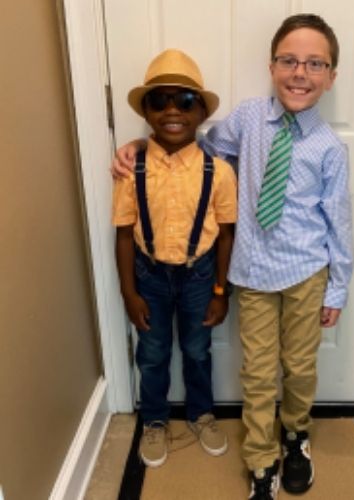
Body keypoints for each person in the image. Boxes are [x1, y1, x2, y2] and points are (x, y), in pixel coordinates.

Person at [113, 14, 353, 499]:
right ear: (272, 65)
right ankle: (261, 459)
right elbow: (195, 150)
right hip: (254, 271)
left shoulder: (329, 149)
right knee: (259, 371)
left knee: (300, 366)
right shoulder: (246, 118)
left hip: (308, 270)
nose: (300, 73)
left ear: (331, 76)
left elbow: (339, 223)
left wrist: (338, 286)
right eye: (289, 61)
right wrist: (143, 144)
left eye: (314, 64)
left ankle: (295, 434)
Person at [112, 49, 237, 468]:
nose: (172, 110)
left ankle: (202, 413)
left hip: (201, 275)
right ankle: (154, 420)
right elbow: (125, 233)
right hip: (149, 276)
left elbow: (227, 235)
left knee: (199, 349)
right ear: (146, 110)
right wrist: (129, 292)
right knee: (152, 351)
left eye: (184, 101)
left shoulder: (217, 171)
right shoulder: (132, 168)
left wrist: (222, 291)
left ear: (200, 110)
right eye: (159, 100)